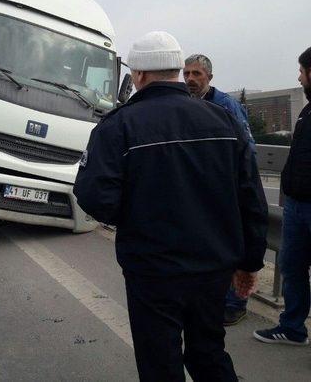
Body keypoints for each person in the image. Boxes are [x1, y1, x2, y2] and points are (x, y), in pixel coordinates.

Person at [74, 31, 267, 382]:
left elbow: (93, 195)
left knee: (159, 360)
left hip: (152, 269)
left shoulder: (119, 125)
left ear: (140, 76)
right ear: (178, 71)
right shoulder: (224, 122)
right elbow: (251, 197)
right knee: (208, 352)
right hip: (213, 267)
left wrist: (135, 219)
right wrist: (250, 262)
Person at [184, 53, 256, 326]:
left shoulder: (226, 106)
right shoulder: (186, 104)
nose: (190, 79)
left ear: (209, 78)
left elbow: (247, 149)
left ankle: (236, 303)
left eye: (197, 74)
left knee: (232, 246)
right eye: (187, 73)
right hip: (201, 190)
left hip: (228, 190)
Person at [254, 47, 311, 346]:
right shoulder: (306, 111)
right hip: (296, 206)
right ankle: (292, 329)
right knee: (292, 267)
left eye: (301, 71)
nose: (298, 76)